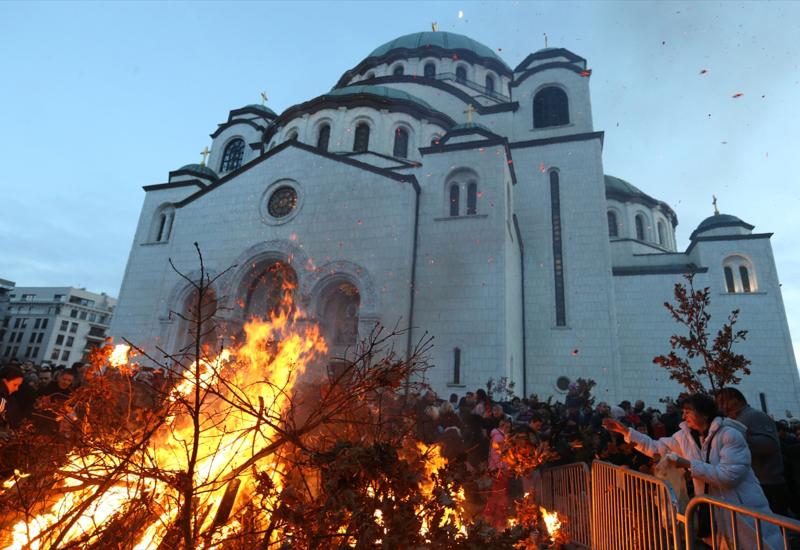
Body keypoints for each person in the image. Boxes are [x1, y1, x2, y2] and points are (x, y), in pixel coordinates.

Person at [604, 393, 781, 548]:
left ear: (703, 413)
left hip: (744, 510)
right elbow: (657, 447)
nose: (683, 416)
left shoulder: (730, 435)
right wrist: (627, 432)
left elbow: (729, 476)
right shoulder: (684, 437)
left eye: (688, 412)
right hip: (716, 512)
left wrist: (688, 465)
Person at [715, 387, 791, 516]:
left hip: (767, 484)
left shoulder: (754, 416)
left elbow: (770, 444)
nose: (719, 405)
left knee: (775, 527)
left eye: (722, 401)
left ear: (735, 400)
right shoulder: (735, 420)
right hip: (754, 483)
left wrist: (737, 439)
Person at [0, 365, 25, 432]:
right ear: (4, 381)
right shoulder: (2, 398)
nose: (16, 389)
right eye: (15, 384)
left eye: (18, 385)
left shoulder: (9, 397)